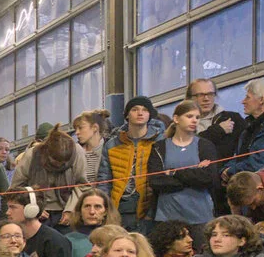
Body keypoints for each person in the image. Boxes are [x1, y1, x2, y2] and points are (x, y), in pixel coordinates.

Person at [147, 102, 221, 243]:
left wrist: (174, 173)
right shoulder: (159, 147)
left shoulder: (205, 145)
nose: (194, 120)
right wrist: (194, 174)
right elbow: (156, 181)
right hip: (167, 216)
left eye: (197, 117)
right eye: (189, 116)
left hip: (200, 216)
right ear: (176, 119)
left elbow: (209, 178)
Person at [103, 97, 166, 233]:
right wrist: (105, 207)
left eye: (144, 110)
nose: (140, 113)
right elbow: (104, 179)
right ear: (127, 115)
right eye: (135, 109)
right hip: (120, 205)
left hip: (150, 206)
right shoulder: (112, 144)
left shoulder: (161, 142)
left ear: (150, 115)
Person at [186, 79, 248, 161]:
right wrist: (218, 130)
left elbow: (248, 148)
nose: (206, 99)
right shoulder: (180, 124)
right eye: (200, 95)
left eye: (210, 94)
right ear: (190, 98)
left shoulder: (233, 118)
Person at [71, 111, 110, 189]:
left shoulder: (110, 148)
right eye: (75, 129)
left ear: (95, 127)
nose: (77, 132)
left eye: (80, 128)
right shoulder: (74, 152)